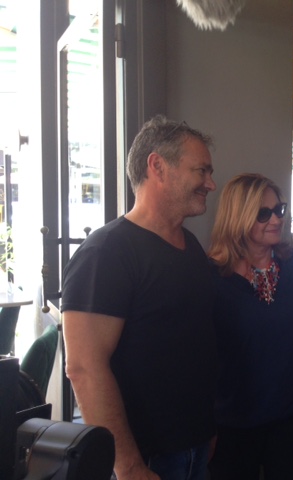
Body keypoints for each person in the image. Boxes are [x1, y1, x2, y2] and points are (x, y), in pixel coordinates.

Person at [61, 115, 218, 480]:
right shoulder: (106, 252)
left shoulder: (191, 246)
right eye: (201, 171)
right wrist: (128, 465)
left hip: (194, 447)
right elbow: (84, 367)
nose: (211, 184)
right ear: (157, 166)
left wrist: (206, 429)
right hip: (145, 460)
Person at [207, 173, 293, 480]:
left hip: (292, 415)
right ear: (238, 217)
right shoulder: (212, 278)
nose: (276, 219)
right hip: (232, 423)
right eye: (263, 213)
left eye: (279, 210)